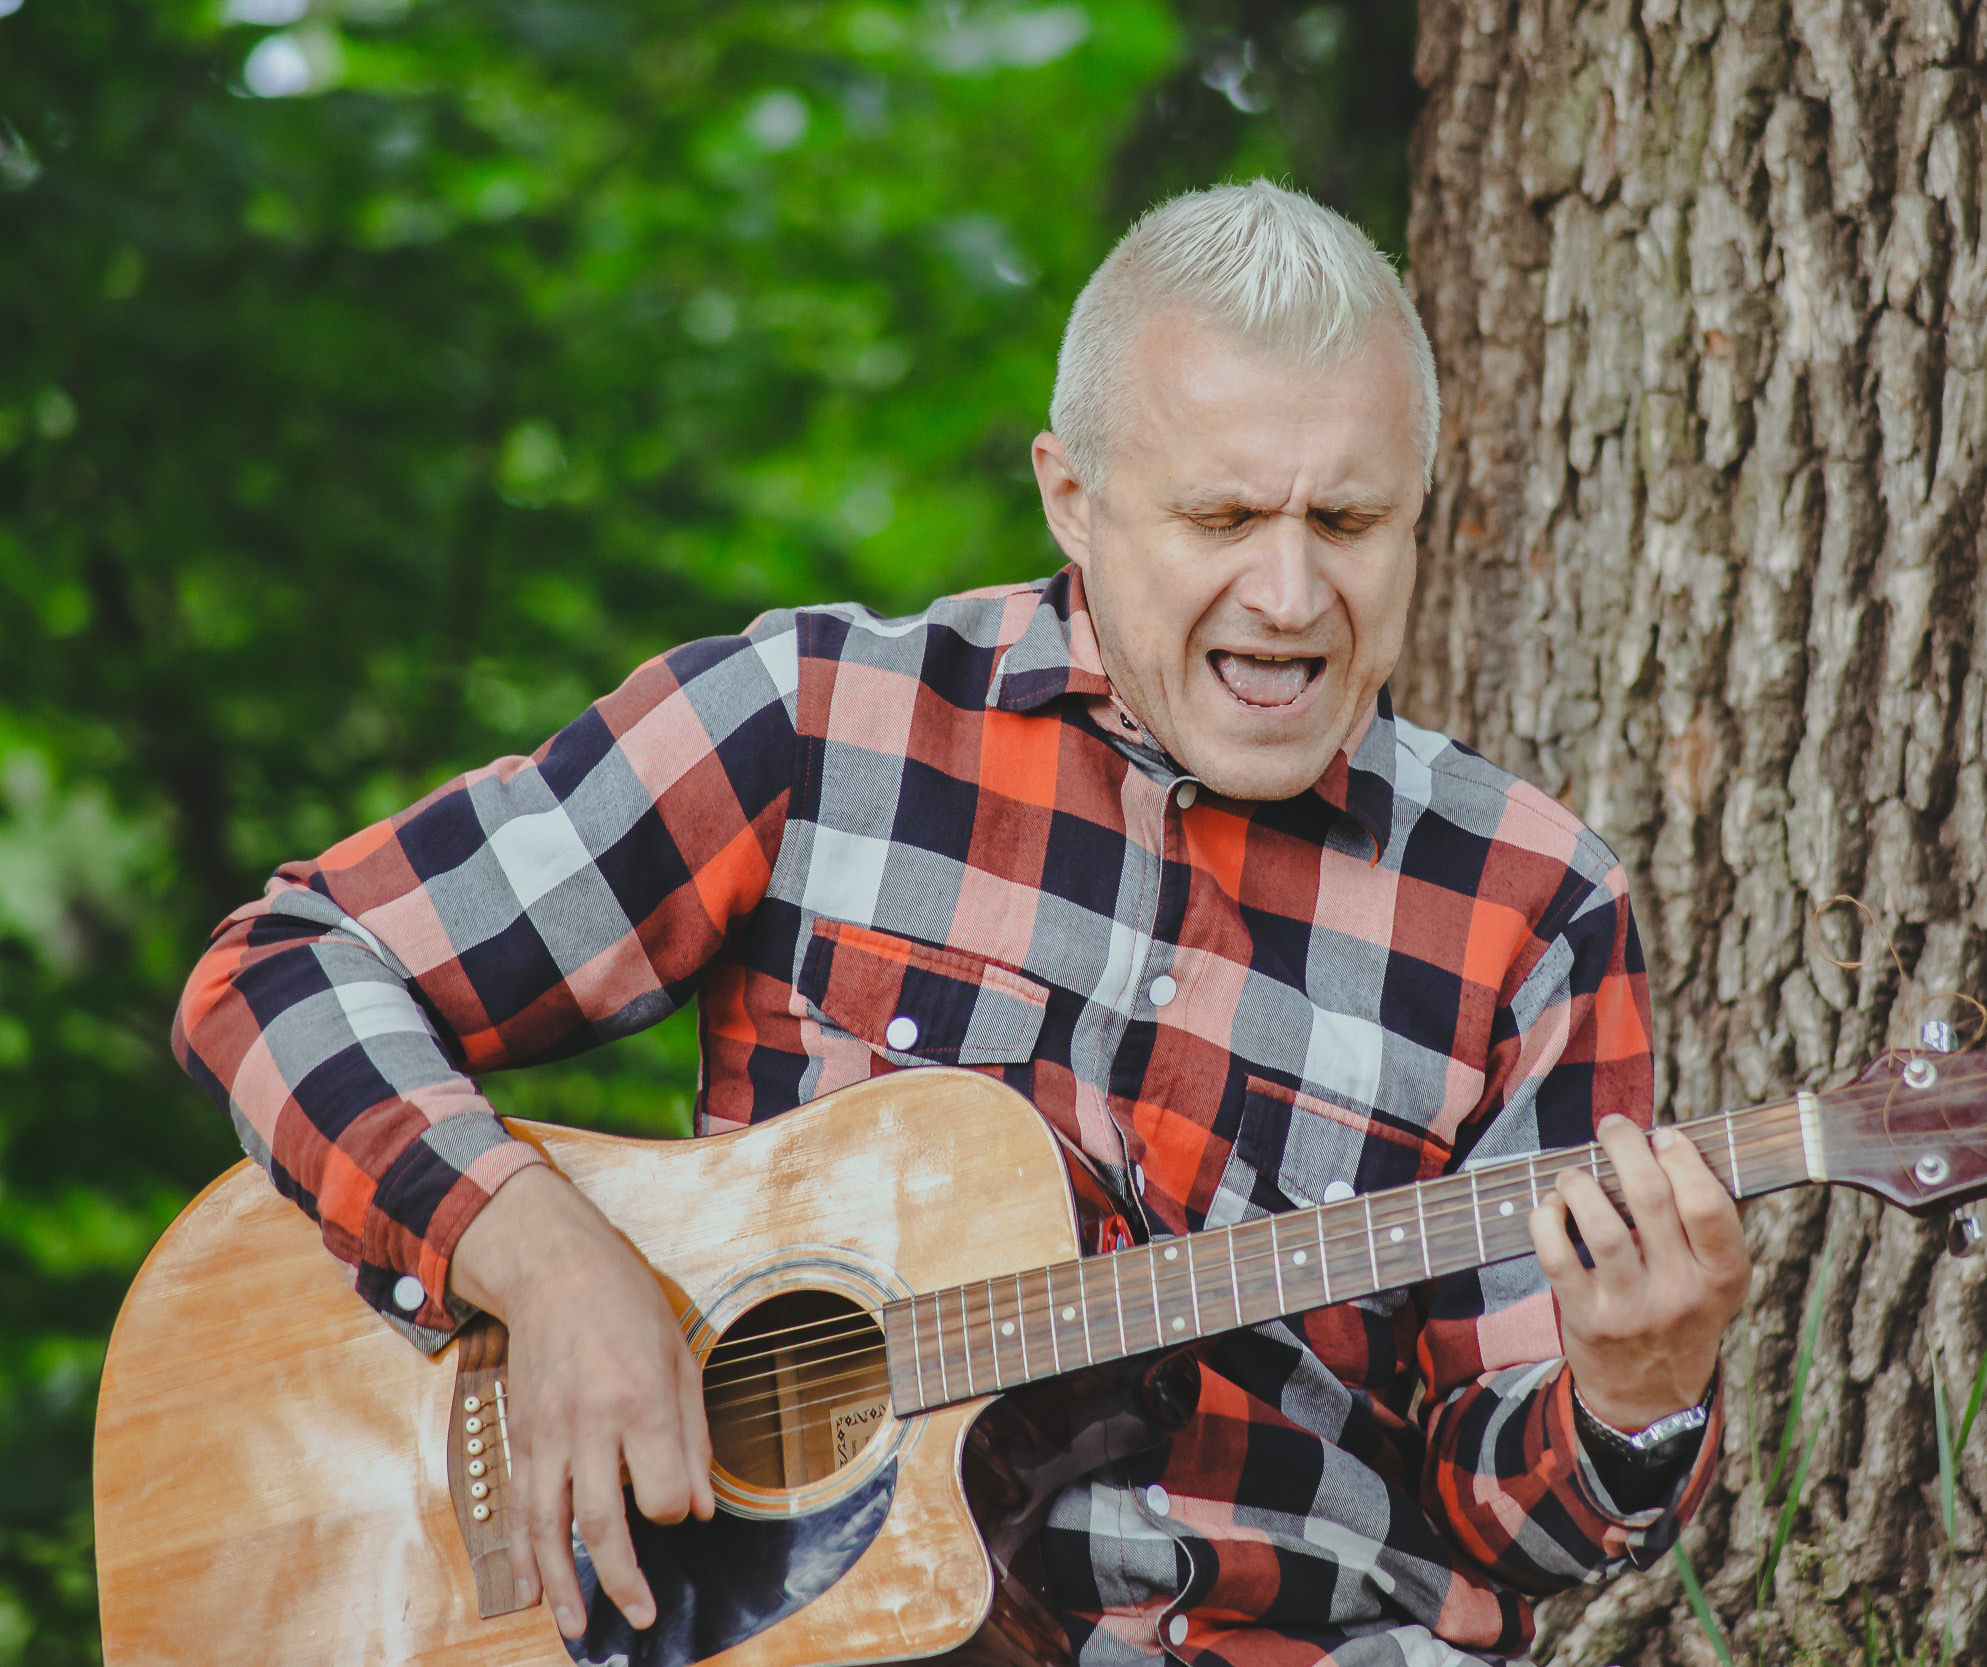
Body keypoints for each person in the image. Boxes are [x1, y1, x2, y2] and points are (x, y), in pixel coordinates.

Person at [171, 181, 1751, 1666]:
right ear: (1072, 497)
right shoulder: (816, 725)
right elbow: (285, 969)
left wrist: (1636, 1396)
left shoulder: (1532, 903)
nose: (1287, 594)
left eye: (1345, 521)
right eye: (1221, 517)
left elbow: (1516, 1521)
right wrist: (543, 1261)